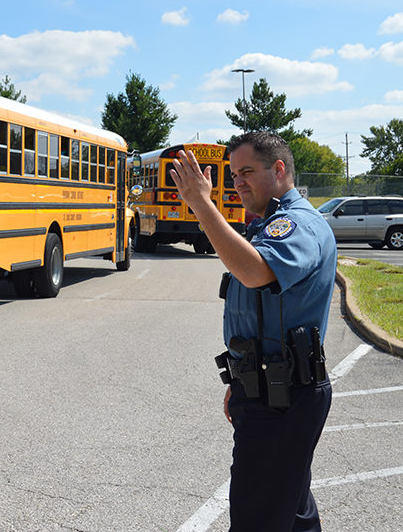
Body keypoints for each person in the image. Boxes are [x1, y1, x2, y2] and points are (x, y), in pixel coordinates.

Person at [170, 131, 335, 532]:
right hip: (267, 388)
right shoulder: (268, 224)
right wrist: (242, 379)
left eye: (246, 171)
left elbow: (256, 272)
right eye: (232, 174)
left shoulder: (296, 225)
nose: (237, 182)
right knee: (290, 510)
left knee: (257, 516)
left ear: (279, 169)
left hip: (282, 398)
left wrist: (200, 204)